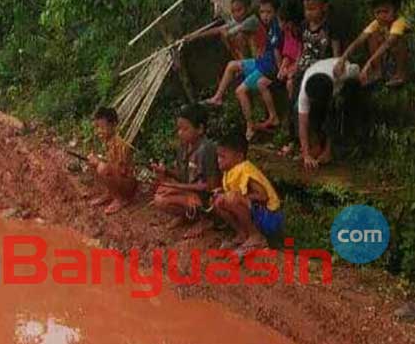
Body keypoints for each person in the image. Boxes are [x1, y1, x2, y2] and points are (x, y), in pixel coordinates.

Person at [202, 0, 284, 140]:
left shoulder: (254, 22)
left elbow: (229, 31)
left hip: (267, 67)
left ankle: (250, 126)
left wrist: (279, 72)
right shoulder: (269, 25)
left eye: (268, 12)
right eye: (262, 12)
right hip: (261, 62)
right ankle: (218, 97)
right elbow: (223, 29)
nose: (264, 16)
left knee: (240, 91)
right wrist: (197, 35)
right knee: (231, 65)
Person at [280, 0, 341, 157]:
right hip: (302, 72)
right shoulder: (303, 26)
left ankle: (318, 147)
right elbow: (302, 50)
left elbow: (336, 54)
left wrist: (336, 72)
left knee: (319, 110)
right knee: (295, 108)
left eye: (313, 8)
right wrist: (295, 68)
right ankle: (298, 142)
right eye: (306, 9)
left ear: (324, 7)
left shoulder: (330, 27)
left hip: (320, 75)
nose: (309, 13)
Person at [150, 105, 221, 237]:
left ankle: (205, 220)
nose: (180, 133)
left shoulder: (207, 149)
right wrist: (166, 171)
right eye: (179, 129)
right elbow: (183, 175)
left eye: (185, 129)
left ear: (200, 129)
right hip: (191, 190)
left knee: (162, 198)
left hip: (206, 197)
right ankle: (186, 215)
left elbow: (212, 186)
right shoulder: (184, 146)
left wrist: (177, 187)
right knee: (161, 191)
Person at [212, 132, 283, 253]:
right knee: (217, 201)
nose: (219, 160)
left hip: (270, 217)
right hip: (256, 213)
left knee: (233, 198)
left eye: (223, 157)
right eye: (218, 156)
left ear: (239, 157)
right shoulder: (229, 171)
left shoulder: (245, 169)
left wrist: (240, 197)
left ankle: (256, 236)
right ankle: (242, 234)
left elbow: (263, 196)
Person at [295, 57, 361, 170]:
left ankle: (328, 150)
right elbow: (302, 123)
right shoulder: (305, 92)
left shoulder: (343, 74)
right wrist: (306, 155)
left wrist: (328, 151)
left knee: (335, 110)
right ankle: (315, 146)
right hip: (319, 74)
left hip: (343, 81)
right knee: (306, 113)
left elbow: (359, 72)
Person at [335, 0, 411, 87]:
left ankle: (400, 75)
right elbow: (359, 41)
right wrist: (342, 59)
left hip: (408, 60)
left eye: (386, 11)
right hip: (387, 58)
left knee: (398, 40)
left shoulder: (400, 22)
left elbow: (389, 43)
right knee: (372, 35)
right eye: (378, 12)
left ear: (395, 11)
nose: (381, 15)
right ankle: (378, 71)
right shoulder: (376, 24)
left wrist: (369, 63)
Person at [88, 107, 137, 215]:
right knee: (92, 161)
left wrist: (100, 163)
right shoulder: (107, 141)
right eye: (97, 127)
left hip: (128, 184)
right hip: (119, 178)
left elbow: (123, 171)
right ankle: (110, 193)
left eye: (102, 127)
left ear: (113, 125)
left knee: (101, 167)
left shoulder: (121, 143)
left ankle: (120, 199)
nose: (99, 131)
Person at [187, 0, 261, 60]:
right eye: (233, 11)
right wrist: (195, 36)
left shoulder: (252, 20)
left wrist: (224, 33)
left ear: (248, 9)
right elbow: (218, 29)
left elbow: (227, 33)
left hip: (261, 55)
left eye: (239, 10)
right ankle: (243, 62)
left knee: (238, 36)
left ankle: (246, 63)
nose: (236, 14)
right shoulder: (238, 21)